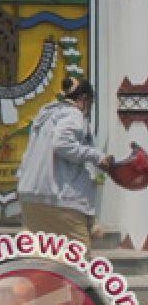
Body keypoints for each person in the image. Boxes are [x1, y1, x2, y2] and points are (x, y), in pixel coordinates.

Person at [17, 76, 113, 252]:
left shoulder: (45, 116)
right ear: (84, 99)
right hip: (60, 201)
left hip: (31, 197)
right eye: (90, 103)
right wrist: (98, 157)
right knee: (78, 261)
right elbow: (63, 144)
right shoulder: (73, 114)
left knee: (42, 260)